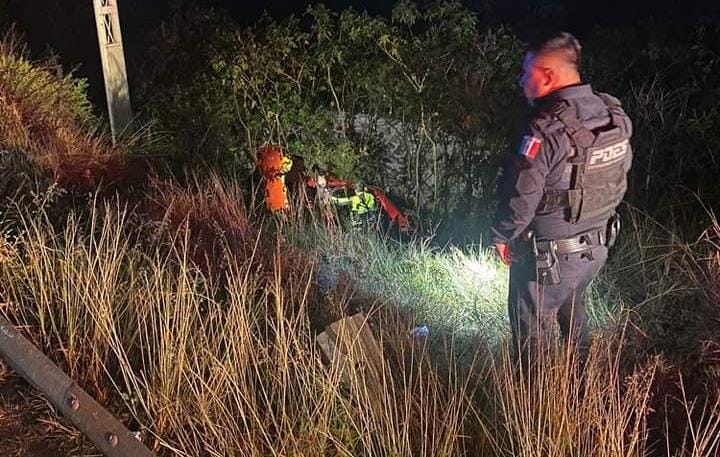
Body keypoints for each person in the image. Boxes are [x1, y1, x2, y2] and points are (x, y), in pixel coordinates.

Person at [490, 32, 632, 359]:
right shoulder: (614, 115)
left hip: (548, 257)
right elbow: (619, 177)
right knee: (572, 306)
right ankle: (578, 386)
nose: (522, 80)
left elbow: (521, 200)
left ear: (548, 76)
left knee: (531, 331)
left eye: (527, 73)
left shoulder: (544, 130)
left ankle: (537, 403)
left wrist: (501, 236)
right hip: (596, 248)